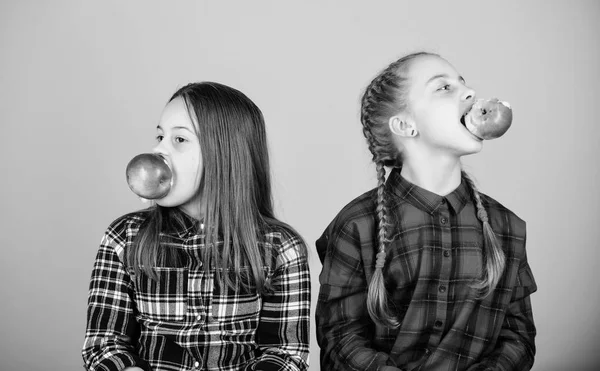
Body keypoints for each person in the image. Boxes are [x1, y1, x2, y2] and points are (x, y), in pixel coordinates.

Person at [315, 52, 536, 371]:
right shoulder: (356, 226)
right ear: (405, 125)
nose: (470, 92)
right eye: (443, 88)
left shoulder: (506, 225)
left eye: (463, 82)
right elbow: (340, 341)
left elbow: (519, 338)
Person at [82, 82, 310, 371]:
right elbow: (103, 344)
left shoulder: (281, 248)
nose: (158, 149)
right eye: (160, 136)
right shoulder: (124, 238)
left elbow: (286, 354)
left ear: (224, 153)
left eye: (179, 140)